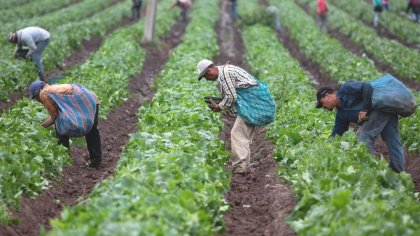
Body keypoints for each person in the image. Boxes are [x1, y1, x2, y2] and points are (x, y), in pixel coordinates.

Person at [197, 59, 276, 174]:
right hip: (252, 104)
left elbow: (231, 97)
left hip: (252, 104)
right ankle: (244, 165)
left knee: (237, 134)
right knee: (243, 135)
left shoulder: (225, 74)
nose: (207, 79)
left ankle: (240, 167)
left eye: (205, 76)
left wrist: (219, 107)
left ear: (209, 71)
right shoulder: (225, 71)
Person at [315, 81, 405, 173]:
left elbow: (366, 86)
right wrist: (325, 146)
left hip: (382, 106)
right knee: (392, 139)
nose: (324, 107)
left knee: (363, 136)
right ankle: (398, 172)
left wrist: (365, 109)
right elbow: (337, 134)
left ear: (327, 96)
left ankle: (373, 171)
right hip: (384, 112)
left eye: (322, 104)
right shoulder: (341, 114)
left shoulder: (345, 88)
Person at [28, 81, 102, 168]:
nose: (37, 100)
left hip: (84, 100)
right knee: (92, 130)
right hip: (90, 98)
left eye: (35, 98)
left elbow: (54, 116)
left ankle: (64, 157)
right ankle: (96, 161)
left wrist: (39, 127)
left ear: (38, 92)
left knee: (60, 126)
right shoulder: (53, 88)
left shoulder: (44, 93)